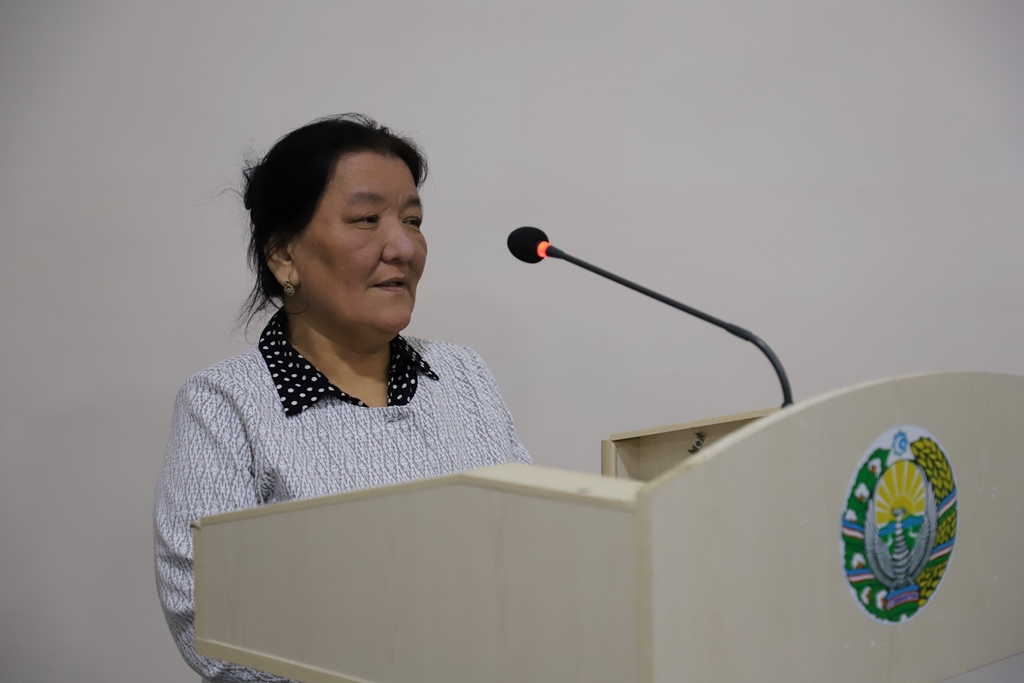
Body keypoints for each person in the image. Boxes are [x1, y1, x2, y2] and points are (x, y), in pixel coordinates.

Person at [154, 114, 531, 683]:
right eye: (366, 220)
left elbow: (527, 545)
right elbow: (211, 618)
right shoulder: (225, 404)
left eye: (413, 221)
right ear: (284, 256)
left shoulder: (461, 375)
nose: (402, 246)